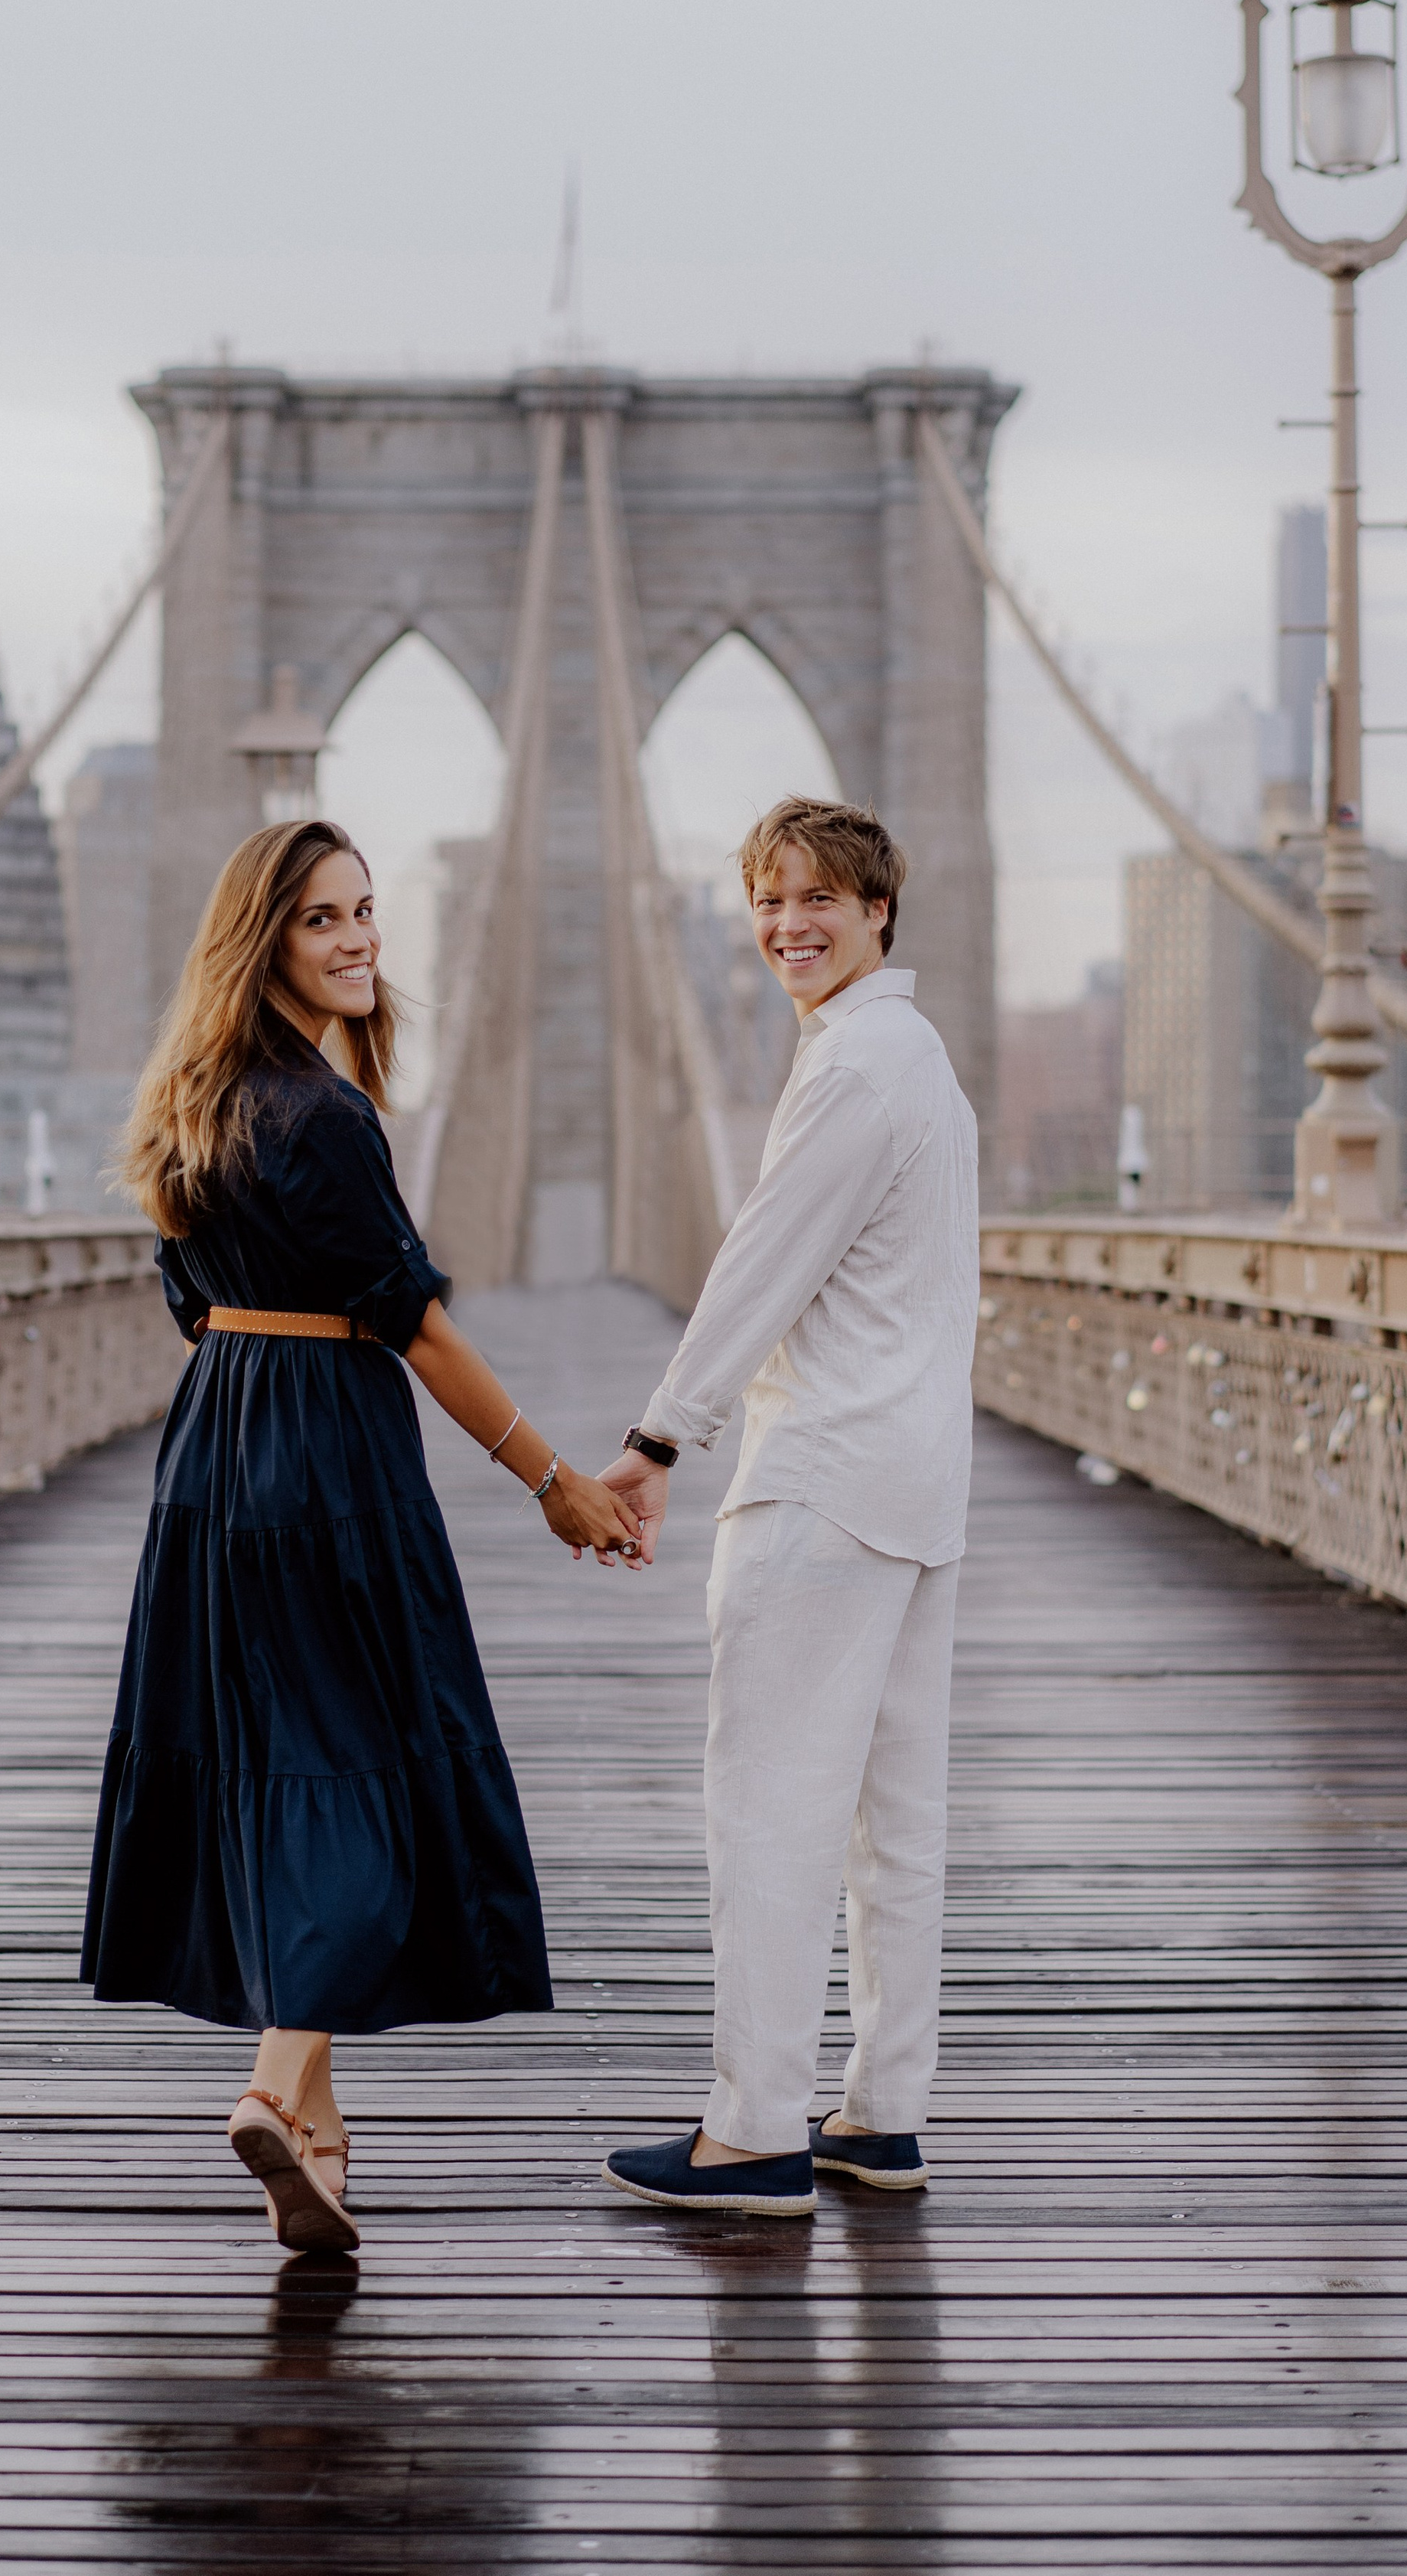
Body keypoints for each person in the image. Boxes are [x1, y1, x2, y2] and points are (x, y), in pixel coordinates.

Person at [81, 817, 645, 2255]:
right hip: (328, 1449)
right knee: (377, 1766)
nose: (357, 940)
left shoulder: (195, 1100)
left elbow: (191, 1304)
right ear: (262, 940)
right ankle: (275, 2082)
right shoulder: (325, 1117)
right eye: (321, 918)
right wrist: (552, 1479)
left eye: (365, 911)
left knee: (288, 1765)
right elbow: (418, 1327)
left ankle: (317, 2142)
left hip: (217, 1447)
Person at [594, 795, 978, 2218]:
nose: (788, 925)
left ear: (879, 911)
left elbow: (764, 1260)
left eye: (819, 898)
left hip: (822, 1482)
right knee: (895, 1824)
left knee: (769, 1810)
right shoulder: (919, 1060)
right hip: (919, 1487)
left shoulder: (854, 1070)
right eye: (767, 900)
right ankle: (881, 2114)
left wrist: (659, 1437)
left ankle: (752, 2132)